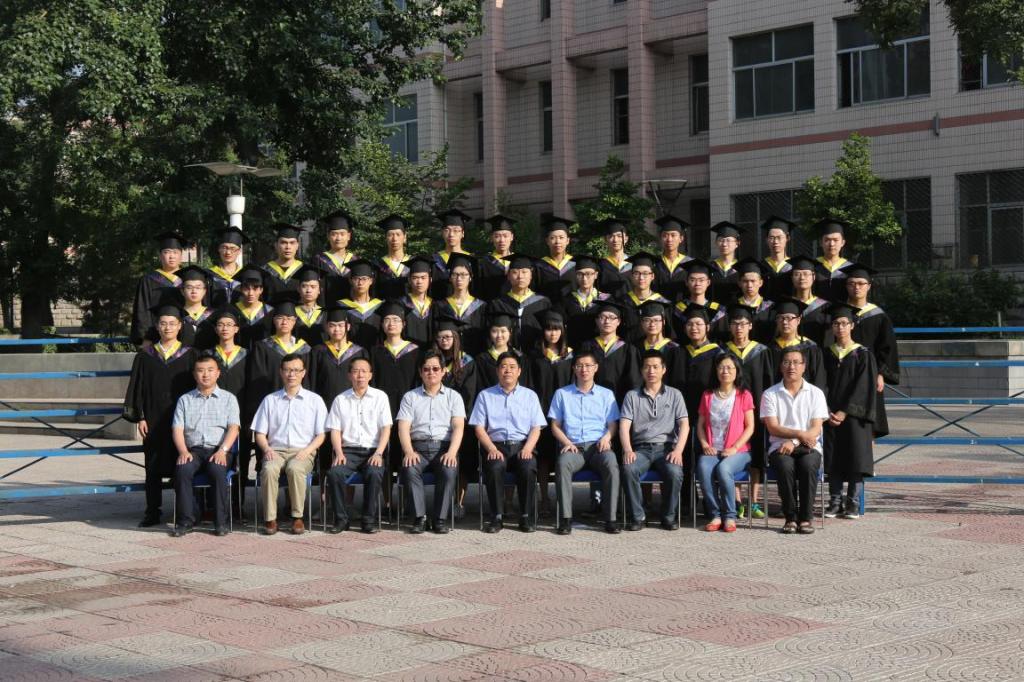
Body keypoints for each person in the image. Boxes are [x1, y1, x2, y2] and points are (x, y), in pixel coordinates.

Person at [123, 302, 198, 527]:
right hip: (154, 419)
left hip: (182, 420)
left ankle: (182, 511)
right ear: (157, 326)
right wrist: (140, 416)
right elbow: (137, 388)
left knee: (182, 465)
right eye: (163, 324)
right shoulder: (145, 356)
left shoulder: (190, 355)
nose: (168, 328)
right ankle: (152, 511)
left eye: (172, 324)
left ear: (180, 326)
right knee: (153, 466)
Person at [470, 352, 547, 533]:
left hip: (522, 445)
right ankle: (496, 517)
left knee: (528, 467)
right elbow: (479, 428)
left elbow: (536, 427)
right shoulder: (485, 395)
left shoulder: (530, 396)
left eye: (512, 367)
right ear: (497, 370)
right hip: (496, 445)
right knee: (495, 466)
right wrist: (491, 448)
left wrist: (528, 448)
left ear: (519, 371)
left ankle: (526, 516)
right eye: (504, 367)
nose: (508, 371)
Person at [252, 353, 328, 535]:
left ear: (303, 373)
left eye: (296, 370)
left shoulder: (314, 400)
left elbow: (321, 434)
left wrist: (308, 450)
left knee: (295, 468)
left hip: (303, 451)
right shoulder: (270, 400)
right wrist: (266, 449)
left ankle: (297, 517)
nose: (291, 374)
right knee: (269, 469)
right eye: (287, 370)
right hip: (275, 450)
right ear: (281, 372)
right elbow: (259, 433)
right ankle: (270, 519)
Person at [548, 349, 621, 535]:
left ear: (596, 368)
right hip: (574, 447)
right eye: (580, 366)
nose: (584, 369)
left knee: (611, 464)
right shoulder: (562, 394)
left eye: (588, 365)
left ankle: (611, 518)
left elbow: (613, 424)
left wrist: (607, 438)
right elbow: (555, 425)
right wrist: (566, 442)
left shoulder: (606, 394)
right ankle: (566, 518)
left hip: (599, 446)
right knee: (562, 463)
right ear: (573, 368)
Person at [170, 353, 240, 537]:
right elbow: (177, 429)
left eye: (210, 370)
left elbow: (234, 428)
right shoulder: (185, 400)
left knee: (217, 470)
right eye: (201, 371)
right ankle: (186, 521)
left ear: (218, 373)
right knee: (182, 470)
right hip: (193, 451)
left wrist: (223, 451)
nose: (205, 374)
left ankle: (220, 522)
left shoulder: (229, 399)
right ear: (195, 374)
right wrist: (183, 451)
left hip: (219, 450)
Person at [397, 350, 466, 534]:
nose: (431, 372)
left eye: (436, 368)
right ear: (420, 372)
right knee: (409, 468)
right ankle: (419, 518)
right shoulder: (410, 397)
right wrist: (408, 451)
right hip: (417, 449)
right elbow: (403, 428)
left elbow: (458, 427)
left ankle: (440, 519)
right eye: (426, 369)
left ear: (443, 371)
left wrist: (452, 453)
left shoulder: (454, 397)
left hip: (444, 448)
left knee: (449, 470)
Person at [761, 347, 829, 534]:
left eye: (796, 362)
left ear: (804, 366)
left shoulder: (815, 393)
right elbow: (773, 427)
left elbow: (815, 429)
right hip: (779, 446)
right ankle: (790, 518)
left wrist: (794, 441)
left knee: (808, 466)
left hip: (809, 446)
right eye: (787, 362)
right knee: (785, 466)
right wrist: (799, 434)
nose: (791, 366)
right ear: (781, 366)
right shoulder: (770, 394)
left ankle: (806, 518)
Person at [620, 349, 689, 531]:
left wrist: (678, 450)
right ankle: (638, 516)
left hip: (666, 449)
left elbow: (684, 425)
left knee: (674, 472)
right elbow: (624, 426)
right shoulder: (632, 396)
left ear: (663, 369)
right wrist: (627, 450)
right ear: (641, 370)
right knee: (628, 469)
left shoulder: (675, 394)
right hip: (641, 449)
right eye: (647, 367)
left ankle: (668, 516)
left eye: (656, 367)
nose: (651, 371)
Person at [823, 303, 879, 520]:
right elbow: (821, 384)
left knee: (856, 459)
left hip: (856, 416)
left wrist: (844, 412)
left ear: (852, 326)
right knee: (833, 459)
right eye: (836, 323)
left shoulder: (863, 354)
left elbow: (863, 387)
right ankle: (834, 502)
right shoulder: (825, 353)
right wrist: (826, 410)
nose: (840, 327)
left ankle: (852, 503)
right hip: (830, 415)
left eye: (844, 323)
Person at [324, 357, 391, 534]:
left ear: (370, 375)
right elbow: (335, 430)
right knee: (334, 473)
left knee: (374, 473)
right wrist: (338, 453)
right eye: (355, 371)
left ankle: (368, 520)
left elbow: (386, 428)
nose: (360, 375)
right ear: (349, 375)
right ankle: (341, 520)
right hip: (348, 451)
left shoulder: (380, 397)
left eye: (364, 371)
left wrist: (379, 453)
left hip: (373, 451)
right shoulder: (340, 399)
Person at [724, 304, 774, 520]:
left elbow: (769, 383)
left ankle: (753, 502)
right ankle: (737, 502)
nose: (739, 328)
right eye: (735, 324)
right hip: (730, 414)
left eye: (743, 324)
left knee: (756, 457)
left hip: (757, 413)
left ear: (750, 326)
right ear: (730, 326)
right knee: (734, 453)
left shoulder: (762, 351)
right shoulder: (723, 351)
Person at [696, 353, 755, 532]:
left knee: (724, 469)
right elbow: (700, 425)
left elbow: (750, 427)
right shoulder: (707, 395)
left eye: (730, 367)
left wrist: (734, 448)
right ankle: (715, 514)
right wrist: (705, 445)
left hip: (739, 451)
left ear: (737, 371)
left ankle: (730, 515)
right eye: (721, 367)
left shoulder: (744, 395)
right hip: (713, 450)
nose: (725, 371)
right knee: (703, 468)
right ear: (716, 371)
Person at [842, 262, 899, 440]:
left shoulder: (878, 316)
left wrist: (881, 373)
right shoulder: (839, 314)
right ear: (846, 286)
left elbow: (887, 348)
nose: (856, 287)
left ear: (869, 286)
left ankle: (868, 457)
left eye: (861, 283)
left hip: (869, 374)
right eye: (852, 283)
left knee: (868, 423)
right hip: (842, 373)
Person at [434, 316, 480, 519]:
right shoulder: (432, 362)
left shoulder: (467, 361)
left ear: (455, 338)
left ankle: (459, 501)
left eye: (448, 336)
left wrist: (460, 418)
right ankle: (442, 501)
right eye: (441, 337)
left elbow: (470, 393)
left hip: (461, 421)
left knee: (463, 461)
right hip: (436, 420)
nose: (445, 340)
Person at [528, 310, 573, 514]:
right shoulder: (535, 356)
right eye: (548, 329)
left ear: (562, 331)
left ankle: (564, 500)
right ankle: (544, 497)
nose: (553, 333)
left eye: (556, 329)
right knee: (544, 457)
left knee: (563, 456)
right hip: (542, 411)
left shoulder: (570, 356)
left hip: (565, 413)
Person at [131, 231, 188, 346]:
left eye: (175, 252)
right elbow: (142, 311)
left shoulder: (189, 280)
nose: (171, 256)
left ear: (181, 255)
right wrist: (145, 338)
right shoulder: (148, 280)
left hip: (186, 337)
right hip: (155, 338)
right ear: (160, 255)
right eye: (167, 252)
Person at [579, 300, 640, 403]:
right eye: (603, 317)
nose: (607, 321)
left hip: (620, 402)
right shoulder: (587, 347)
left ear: (618, 322)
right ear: (597, 321)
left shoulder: (628, 349)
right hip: (590, 401)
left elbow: (634, 380)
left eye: (612, 317)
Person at [488, 254, 551, 352]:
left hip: (536, 355)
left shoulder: (543, 302)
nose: (520, 276)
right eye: (515, 272)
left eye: (524, 272)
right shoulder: (498, 304)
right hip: (506, 356)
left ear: (531, 275)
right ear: (508, 276)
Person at [768, 298, 827, 391]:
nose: (784, 322)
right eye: (780, 318)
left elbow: (819, 380)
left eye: (789, 318)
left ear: (798, 320)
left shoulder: (811, 348)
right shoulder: (770, 349)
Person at [434, 253, 487, 356]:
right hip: (447, 359)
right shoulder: (440, 306)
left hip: (474, 358)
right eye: (455, 274)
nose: (459, 278)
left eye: (463, 274)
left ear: (470, 277)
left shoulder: (481, 306)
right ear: (450, 278)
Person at [619, 252, 672, 345]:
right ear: (631, 276)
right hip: (629, 350)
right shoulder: (622, 302)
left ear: (652, 276)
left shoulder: (663, 303)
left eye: (645, 273)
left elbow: (669, 333)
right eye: (637, 273)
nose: (641, 277)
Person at [560, 254, 611, 350]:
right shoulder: (567, 300)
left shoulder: (606, 300)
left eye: (588, 274)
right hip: (573, 349)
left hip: (598, 349)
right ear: (575, 275)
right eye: (580, 274)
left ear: (596, 275)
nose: (584, 278)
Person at [672, 259, 725, 341]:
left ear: (708, 282)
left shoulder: (719, 310)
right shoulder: (678, 309)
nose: (697, 284)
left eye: (701, 280)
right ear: (686, 282)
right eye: (692, 280)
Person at [338, 258, 384, 349]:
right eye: (356, 279)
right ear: (350, 281)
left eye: (364, 279)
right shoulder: (342, 306)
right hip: (350, 353)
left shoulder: (380, 306)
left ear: (371, 281)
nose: (360, 283)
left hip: (375, 352)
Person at [313, 209, 357, 303]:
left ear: (349, 236)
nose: (338, 238)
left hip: (351, 309)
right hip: (327, 308)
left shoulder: (355, 261)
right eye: (334, 234)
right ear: (328, 236)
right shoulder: (319, 260)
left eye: (342, 234)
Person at [430, 208, 474, 299]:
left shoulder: (471, 260)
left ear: (463, 233)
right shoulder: (433, 260)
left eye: (456, 230)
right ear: (442, 233)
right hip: (439, 306)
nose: (451, 234)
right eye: (447, 230)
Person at [787, 255, 829, 347]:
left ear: (813, 277)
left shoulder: (825, 307)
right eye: (797, 274)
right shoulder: (786, 304)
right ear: (792, 278)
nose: (802, 278)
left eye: (806, 274)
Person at [733, 258, 774, 344]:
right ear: (739, 283)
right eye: (745, 281)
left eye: (753, 281)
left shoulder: (771, 308)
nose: (749, 285)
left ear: (760, 283)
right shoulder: (732, 307)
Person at [812, 218, 854, 302]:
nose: (831, 244)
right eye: (827, 240)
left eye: (836, 240)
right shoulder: (812, 266)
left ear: (842, 243)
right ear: (821, 242)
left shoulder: (850, 268)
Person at [652, 214, 693, 301]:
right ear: (660, 238)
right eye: (665, 235)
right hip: (658, 308)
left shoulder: (690, 263)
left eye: (673, 235)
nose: (669, 239)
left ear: (681, 239)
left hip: (683, 308)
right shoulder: (653, 263)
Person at [535, 216, 576, 302]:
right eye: (553, 238)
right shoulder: (539, 266)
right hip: (547, 309)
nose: (557, 242)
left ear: (567, 241)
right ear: (547, 241)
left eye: (561, 237)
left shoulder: (575, 264)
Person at [262, 223, 307, 301]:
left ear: (297, 246)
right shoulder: (264, 271)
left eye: (292, 243)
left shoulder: (304, 270)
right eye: (283, 242)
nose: (288, 247)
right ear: (276, 245)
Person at [175, 266, 216, 350]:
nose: (194, 291)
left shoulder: (214, 315)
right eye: (189, 287)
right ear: (182, 291)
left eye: (198, 287)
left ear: (204, 291)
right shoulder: (176, 315)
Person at [401, 255, 438, 348]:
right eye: (415, 278)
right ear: (409, 280)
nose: (419, 282)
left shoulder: (435, 305)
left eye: (423, 277)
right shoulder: (402, 304)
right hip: (408, 353)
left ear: (430, 280)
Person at [233, 265, 273, 350]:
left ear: (261, 290)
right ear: (241, 289)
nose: (251, 293)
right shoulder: (233, 310)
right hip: (240, 356)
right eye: (247, 289)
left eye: (255, 289)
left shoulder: (270, 312)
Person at [374, 214, 412, 300]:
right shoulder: (377, 265)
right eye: (390, 235)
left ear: (405, 237)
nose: (394, 239)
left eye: (398, 234)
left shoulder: (413, 263)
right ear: (385, 238)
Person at [478, 214, 515, 302]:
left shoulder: (518, 261)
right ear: (491, 238)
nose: (502, 240)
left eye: (505, 236)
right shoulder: (483, 264)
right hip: (491, 307)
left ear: (512, 237)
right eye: (497, 236)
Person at [209, 226, 248, 307]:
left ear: (239, 251)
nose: (228, 252)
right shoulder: (208, 275)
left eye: (232, 248)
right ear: (219, 249)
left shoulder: (245, 275)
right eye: (224, 248)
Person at [759, 216, 796, 302]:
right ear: (766, 240)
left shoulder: (794, 266)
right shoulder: (760, 267)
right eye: (771, 238)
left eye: (779, 237)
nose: (775, 242)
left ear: (787, 238)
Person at [638, 301, 680, 373]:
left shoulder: (674, 349)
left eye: (656, 320)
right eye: (647, 320)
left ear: (663, 322)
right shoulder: (635, 348)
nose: (652, 324)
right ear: (641, 323)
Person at [709, 221, 744, 304]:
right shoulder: (710, 268)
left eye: (728, 240)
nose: (724, 244)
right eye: (721, 240)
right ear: (716, 243)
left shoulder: (742, 268)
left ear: (737, 243)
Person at [596, 218, 632, 298]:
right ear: (605, 239)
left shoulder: (634, 264)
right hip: (608, 305)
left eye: (619, 236)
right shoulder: (600, 266)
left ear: (626, 239)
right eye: (611, 236)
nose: (615, 240)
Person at [292, 266, 325, 348]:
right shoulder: (291, 313)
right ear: (298, 289)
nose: (308, 290)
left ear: (319, 290)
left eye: (313, 287)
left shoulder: (326, 313)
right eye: (304, 286)